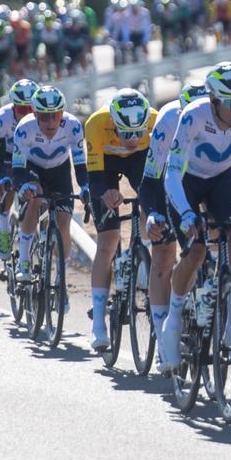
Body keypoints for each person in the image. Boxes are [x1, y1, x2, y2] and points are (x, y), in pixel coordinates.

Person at [159, 62, 231, 372]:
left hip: (222, 178)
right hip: (187, 182)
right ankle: (175, 317)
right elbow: (172, 176)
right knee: (195, 250)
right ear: (213, 100)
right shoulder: (193, 115)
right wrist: (185, 214)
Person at [138, 82, 208, 359]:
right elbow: (150, 179)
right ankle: (162, 335)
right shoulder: (168, 121)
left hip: (202, 180)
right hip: (167, 181)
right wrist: (153, 212)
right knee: (165, 253)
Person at [84, 89, 157, 351]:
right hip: (106, 166)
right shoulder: (95, 124)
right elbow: (94, 178)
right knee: (108, 241)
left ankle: (143, 260)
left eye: (139, 132)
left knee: (152, 208)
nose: (133, 138)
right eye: (127, 133)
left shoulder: (156, 121)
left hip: (141, 161)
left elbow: (160, 176)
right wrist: (105, 192)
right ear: (114, 122)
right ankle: (98, 325)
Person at [6, 87, 88, 292]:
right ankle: (24, 260)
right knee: (35, 194)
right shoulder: (25, 128)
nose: (50, 122)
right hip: (32, 170)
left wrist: (86, 187)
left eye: (55, 116)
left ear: (62, 114)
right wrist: (23, 184)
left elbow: (80, 164)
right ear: (35, 114)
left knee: (64, 224)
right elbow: (17, 168)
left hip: (60, 171)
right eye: (44, 117)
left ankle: (61, 279)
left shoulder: (73, 126)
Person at [0, 79, 39, 262]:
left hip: (31, 157)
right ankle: (3, 226)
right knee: (8, 185)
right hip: (9, 157)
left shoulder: (41, 118)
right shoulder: (1, 119)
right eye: (22, 110)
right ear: (13, 107)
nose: (27, 114)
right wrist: (2, 178)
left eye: (31, 109)